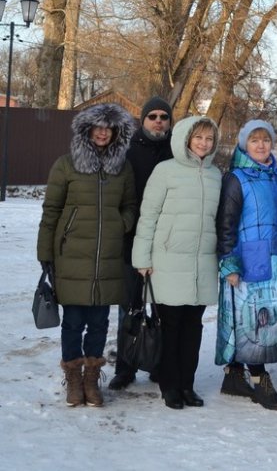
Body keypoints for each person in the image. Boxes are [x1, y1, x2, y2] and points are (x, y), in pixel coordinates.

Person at [37, 103, 137, 407]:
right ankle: (73, 379)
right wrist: (45, 252)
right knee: (73, 322)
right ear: (87, 130)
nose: (103, 132)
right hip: (71, 257)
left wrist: (120, 224)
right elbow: (51, 210)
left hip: (107, 257)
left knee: (99, 322)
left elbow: (130, 205)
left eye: (109, 127)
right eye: (98, 126)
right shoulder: (66, 165)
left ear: (116, 132)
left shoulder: (123, 168)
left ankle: (92, 380)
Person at [132, 116, 222, 410]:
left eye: (209, 139)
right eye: (199, 138)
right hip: (168, 261)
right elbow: (149, 217)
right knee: (170, 328)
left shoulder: (215, 175)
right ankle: (169, 385)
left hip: (201, 264)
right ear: (186, 139)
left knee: (193, 328)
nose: (204, 144)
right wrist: (142, 258)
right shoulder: (165, 171)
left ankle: (187, 384)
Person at [216, 120, 277, 410]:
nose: (261, 145)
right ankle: (259, 378)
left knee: (267, 315)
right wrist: (229, 264)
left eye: (266, 140)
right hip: (247, 257)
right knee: (254, 319)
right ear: (244, 144)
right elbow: (226, 224)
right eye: (254, 140)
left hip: (275, 258)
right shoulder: (236, 178)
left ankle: (233, 376)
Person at [110, 96, 174, 391]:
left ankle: (160, 365)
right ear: (143, 120)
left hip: (168, 242)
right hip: (133, 239)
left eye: (163, 116)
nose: (158, 121)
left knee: (163, 308)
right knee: (130, 306)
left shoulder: (178, 151)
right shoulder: (128, 151)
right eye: (153, 116)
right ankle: (125, 366)